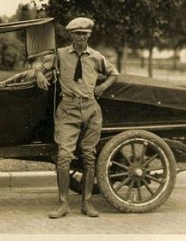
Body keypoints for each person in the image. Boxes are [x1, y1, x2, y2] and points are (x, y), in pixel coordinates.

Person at [35, 16, 118, 219]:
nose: (81, 38)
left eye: (85, 34)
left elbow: (114, 73)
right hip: (68, 110)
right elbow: (40, 67)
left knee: (89, 156)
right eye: (77, 34)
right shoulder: (61, 55)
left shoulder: (96, 57)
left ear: (89, 35)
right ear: (71, 35)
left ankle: (86, 203)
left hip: (91, 108)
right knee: (64, 157)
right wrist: (38, 74)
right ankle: (63, 204)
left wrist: (102, 87)